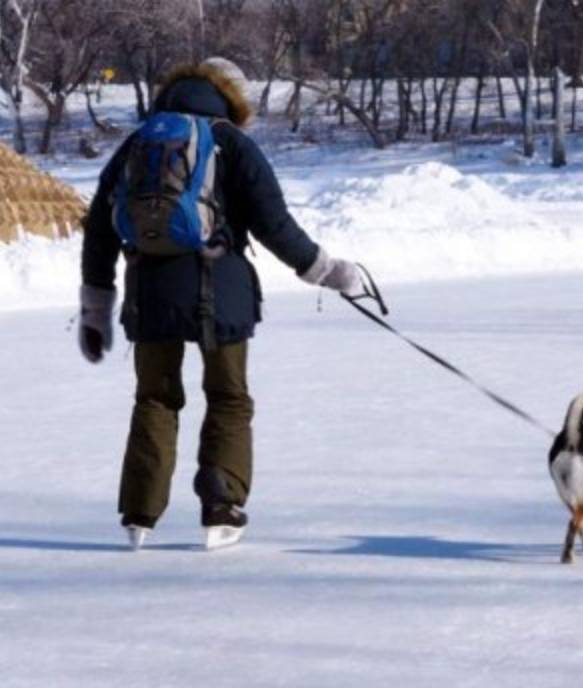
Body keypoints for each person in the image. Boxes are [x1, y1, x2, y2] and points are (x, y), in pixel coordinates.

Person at [77, 57, 362, 547]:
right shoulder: (231, 143)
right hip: (221, 292)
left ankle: (139, 514)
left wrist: (96, 310)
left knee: (155, 398)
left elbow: (98, 230)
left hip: (151, 294)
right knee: (228, 397)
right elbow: (274, 224)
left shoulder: (138, 142)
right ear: (233, 97)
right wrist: (327, 271)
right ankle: (221, 504)